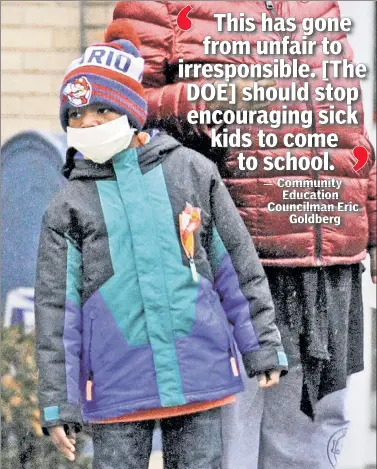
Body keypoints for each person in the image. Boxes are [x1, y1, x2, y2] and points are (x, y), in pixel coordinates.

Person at [110, 2, 377, 468]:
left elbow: (349, 131)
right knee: (219, 451)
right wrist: (204, 101)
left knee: (307, 453)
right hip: (224, 273)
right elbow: (108, 107)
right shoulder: (161, 7)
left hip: (323, 273)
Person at [34, 19, 288, 469]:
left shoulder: (190, 172)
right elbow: (58, 312)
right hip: (116, 388)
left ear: (132, 112)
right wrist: (59, 402)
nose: (87, 123)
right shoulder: (67, 205)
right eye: (75, 116)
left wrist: (261, 345)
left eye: (101, 112)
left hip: (198, 374)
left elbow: (236, 266)